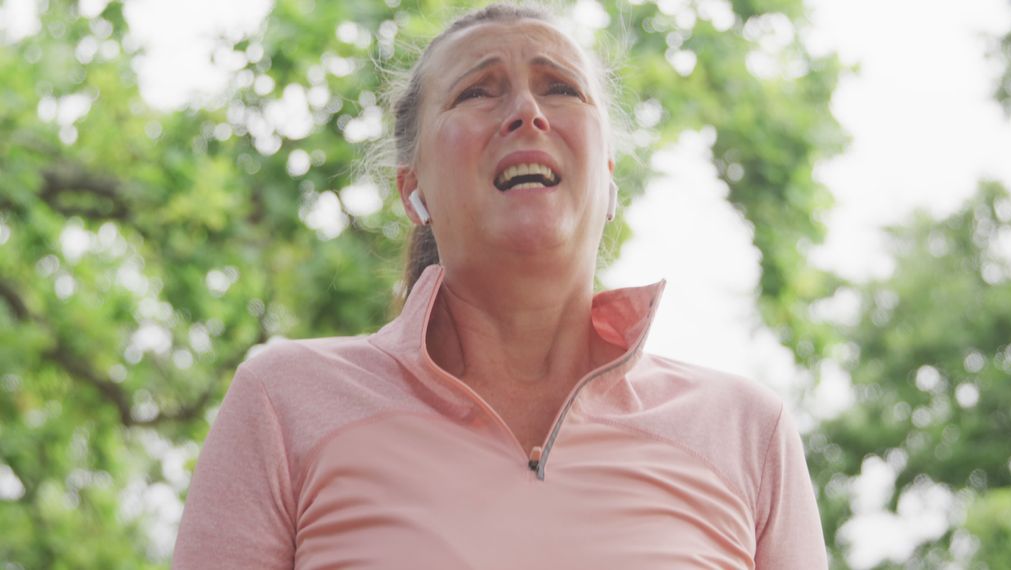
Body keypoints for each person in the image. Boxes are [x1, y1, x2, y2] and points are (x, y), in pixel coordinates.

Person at [172, 3, 828, 568]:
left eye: (561, 88)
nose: (526, 112)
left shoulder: (748, 431)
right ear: (414, 188)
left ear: (607, 177)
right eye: (478, 91)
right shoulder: (284, 402)